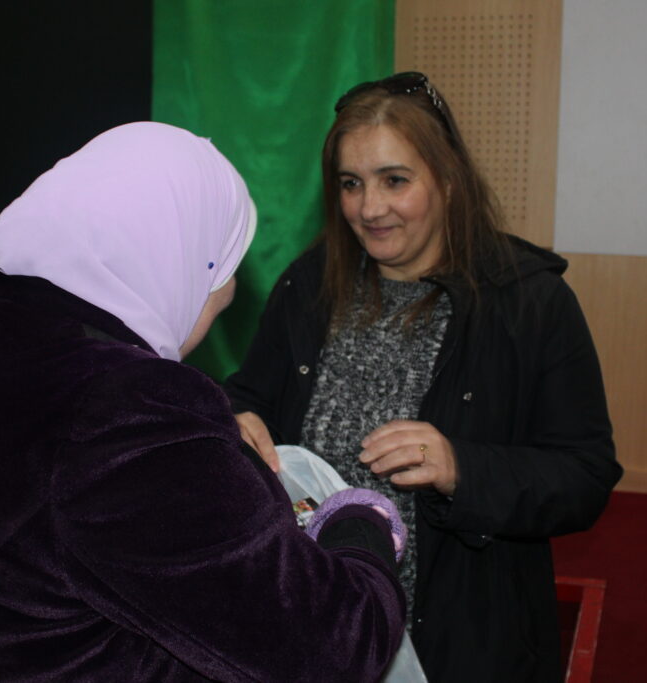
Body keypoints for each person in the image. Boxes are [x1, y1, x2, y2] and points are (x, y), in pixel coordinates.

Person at [0, 122, 408, 682]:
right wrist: (357, 521)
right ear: (182, 260)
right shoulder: (128, 411)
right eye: (223, 273)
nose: (225, 294)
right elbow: (334, 649)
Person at [225, 73, 623, 682]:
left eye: (395, 180)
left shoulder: (529, 302)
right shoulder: (307, 285)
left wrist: (462, 467)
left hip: (462, 639)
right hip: (321, 625)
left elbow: (585, 476)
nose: (369, 208)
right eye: (351, 183)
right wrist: (234, 416)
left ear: (448, 179)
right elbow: (252, 397)